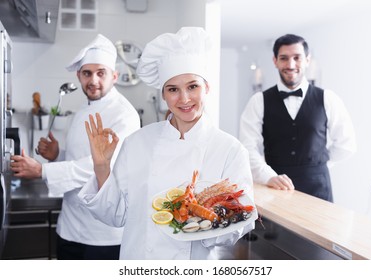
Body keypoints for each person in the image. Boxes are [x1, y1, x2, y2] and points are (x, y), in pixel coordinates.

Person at [78, 27, 257, 260]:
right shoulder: (137, 143)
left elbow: (242, 219)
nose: (184, 99)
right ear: (163, 95)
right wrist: (101, 166)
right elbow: (115, 216)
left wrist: (205, 225)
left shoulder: (230, 150)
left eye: (193, 86)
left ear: (207, 88)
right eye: (173, 89)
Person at [10, 34, 140, 259]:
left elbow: (100, 166)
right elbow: (79, 158)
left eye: (101, 73)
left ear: (114, 76)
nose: (93, 81)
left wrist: (42, 170)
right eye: (87, 73)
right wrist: (57, 155)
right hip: (70, 227)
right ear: (79, 75)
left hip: (104, 234)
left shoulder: (125, 115)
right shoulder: (82, 110)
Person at [239, 34, 356, 202]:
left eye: (297, 58)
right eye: (284, 58)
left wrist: (319, 165)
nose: (291, 64)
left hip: (319, 191)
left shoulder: (328, 98)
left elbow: (347, 144)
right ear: (275, 61)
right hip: (274, 190)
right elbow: (247, 148)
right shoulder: (258, 101)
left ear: (307, 60)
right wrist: (268, 176)